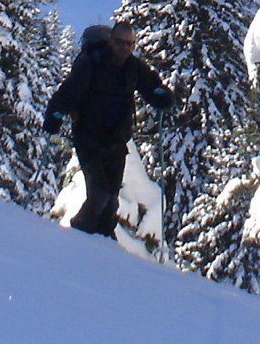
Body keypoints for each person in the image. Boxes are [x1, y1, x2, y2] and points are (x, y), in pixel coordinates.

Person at [42, 19, 174, 238]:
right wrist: (55, 114)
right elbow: (70, 91)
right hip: (89, 138)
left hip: (116, 142)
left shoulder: (133, 67)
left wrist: (162, 96)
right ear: (111, 41)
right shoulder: (91, 63)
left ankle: (103, 244)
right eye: (121, 42)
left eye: (130, 44)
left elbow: (151, 85)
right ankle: (77, 238)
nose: (125, 48)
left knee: (111, 198)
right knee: (100, 194)